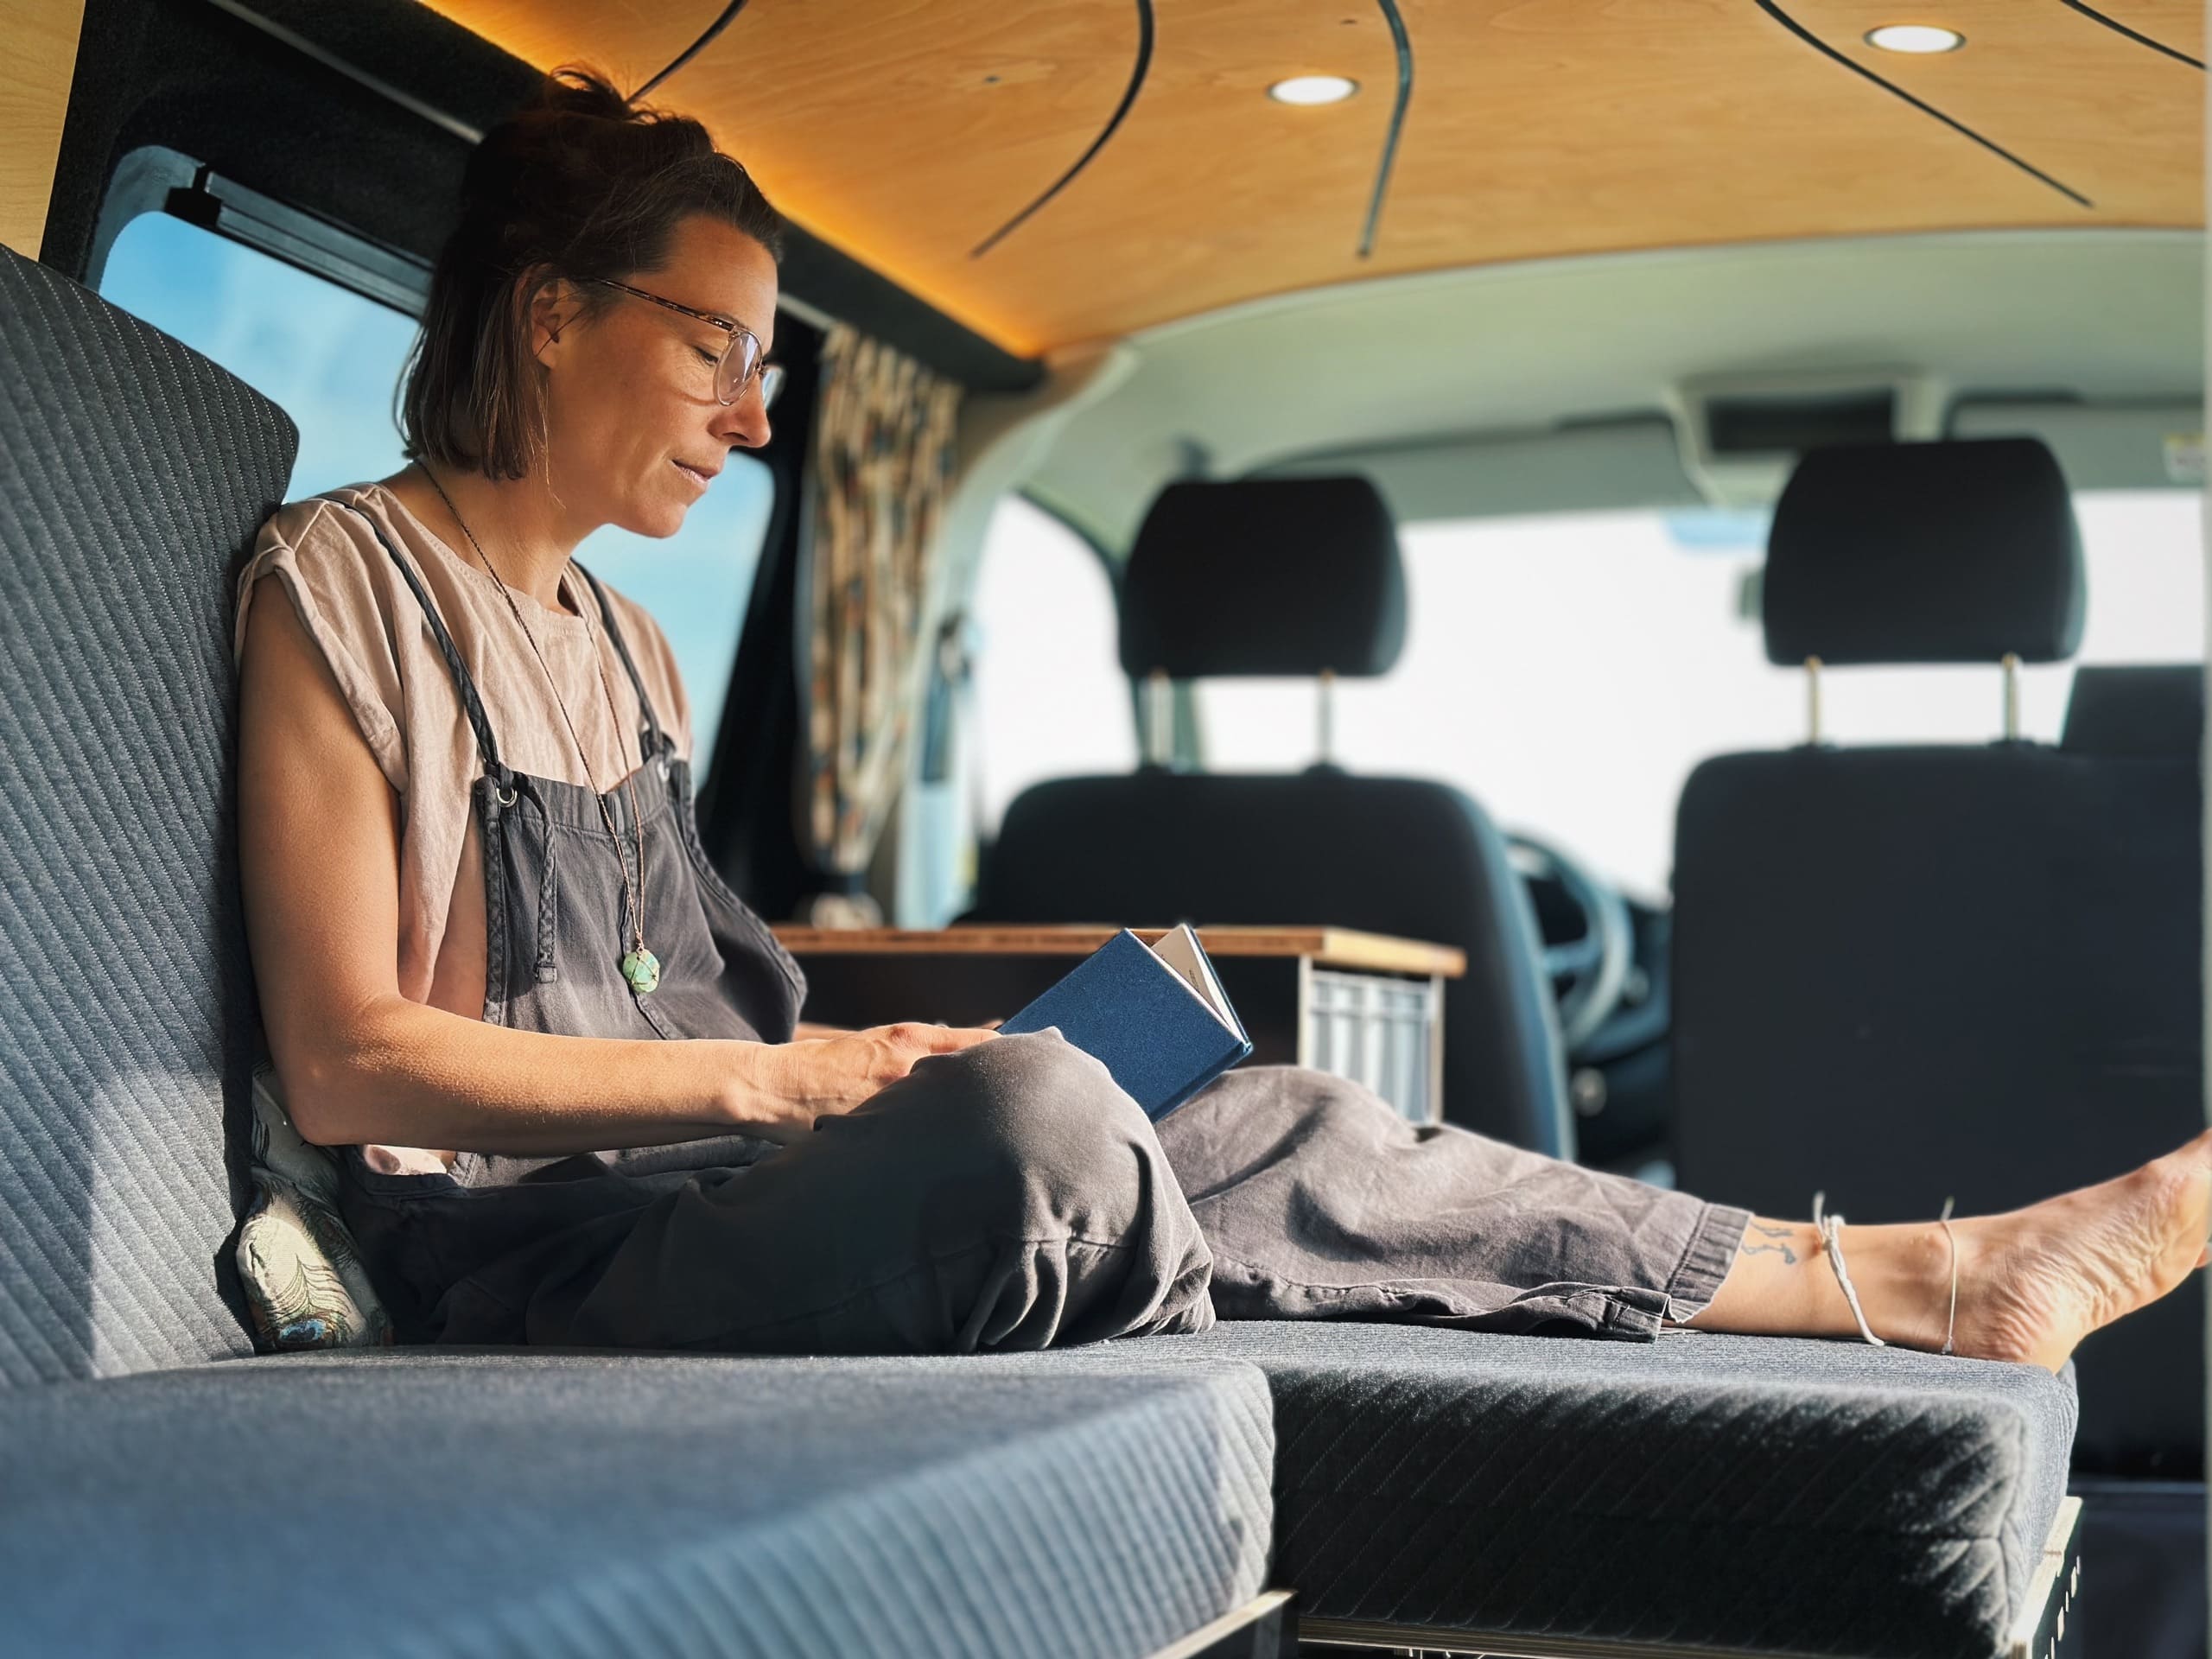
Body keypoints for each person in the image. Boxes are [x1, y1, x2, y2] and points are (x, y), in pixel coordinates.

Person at [235, 67, 2209, 1367]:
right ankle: (1168, 1252)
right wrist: (793, 1085)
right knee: (1045, 1120)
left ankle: (1913, 1279)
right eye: (716, 351)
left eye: (769, 366)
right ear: (550, 310)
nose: (758, 419)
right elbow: (344, 1064)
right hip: (531, 1267)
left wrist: (844, 1061)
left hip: (716, 1186)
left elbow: (691, 1005)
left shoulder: (629, 649)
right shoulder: (338, 585)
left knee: (1258, 1101)